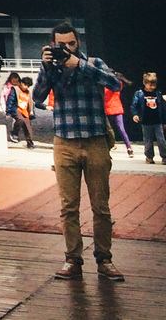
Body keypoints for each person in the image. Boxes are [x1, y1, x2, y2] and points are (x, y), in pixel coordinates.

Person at [32, 21, 124, 282]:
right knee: (68, 207)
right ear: (53, 44)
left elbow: (115, 84)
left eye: (71, 43)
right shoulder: (51, 67)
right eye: (61, 45)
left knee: (101, 206)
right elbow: (38, 98)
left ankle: (104, 259)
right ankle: (73, 259)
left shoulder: (93, 63)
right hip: (65, 143)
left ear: (78, 42)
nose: (67, 49)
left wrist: (79, 65)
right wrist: (46, 67)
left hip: (95, 141)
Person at [132, 72, 165, 164]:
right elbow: (134, 105)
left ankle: (164, 156)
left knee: (161, 140)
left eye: (154, 84)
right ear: (144, 83)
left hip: (157, 121)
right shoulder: (139, 94)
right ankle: (149, 157)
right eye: (149, 84)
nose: (152, 86)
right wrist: (135, 114)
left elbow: (162, 107)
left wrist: (164, 121)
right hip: (146, 121)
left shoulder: (158, 93)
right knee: (148, 140)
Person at [103, 74, 133, 157]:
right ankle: (128, 148)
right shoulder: (116, 85)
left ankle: (125, 147)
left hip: (111, 109)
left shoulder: (110, 86)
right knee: (118, 130)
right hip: (113, 109)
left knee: (112, 130)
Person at [3, 72, 35, 148]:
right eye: (25, 85)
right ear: (21, 83)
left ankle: (29, 142)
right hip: (16, 109)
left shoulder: (28, 92)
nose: (26, 87)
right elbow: (10, 100)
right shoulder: (15, 89)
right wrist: (8, 112)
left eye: (28, 86)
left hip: (25, 111)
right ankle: (14, 133)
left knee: (28, 127)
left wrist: (31, 111)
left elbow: (30, 102)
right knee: (20, 120)